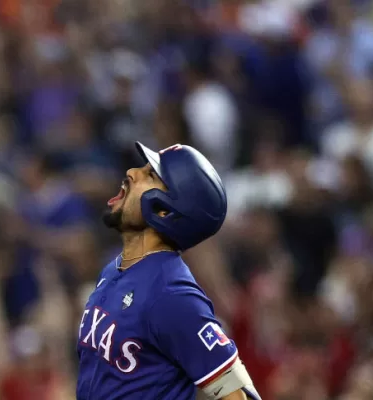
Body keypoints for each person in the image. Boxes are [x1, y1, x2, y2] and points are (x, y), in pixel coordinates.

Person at [76, 142, 260, 400]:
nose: (131, 172)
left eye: (150, 175)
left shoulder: (171, 294)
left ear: (165, 211)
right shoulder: (114, 269)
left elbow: (237, 394)